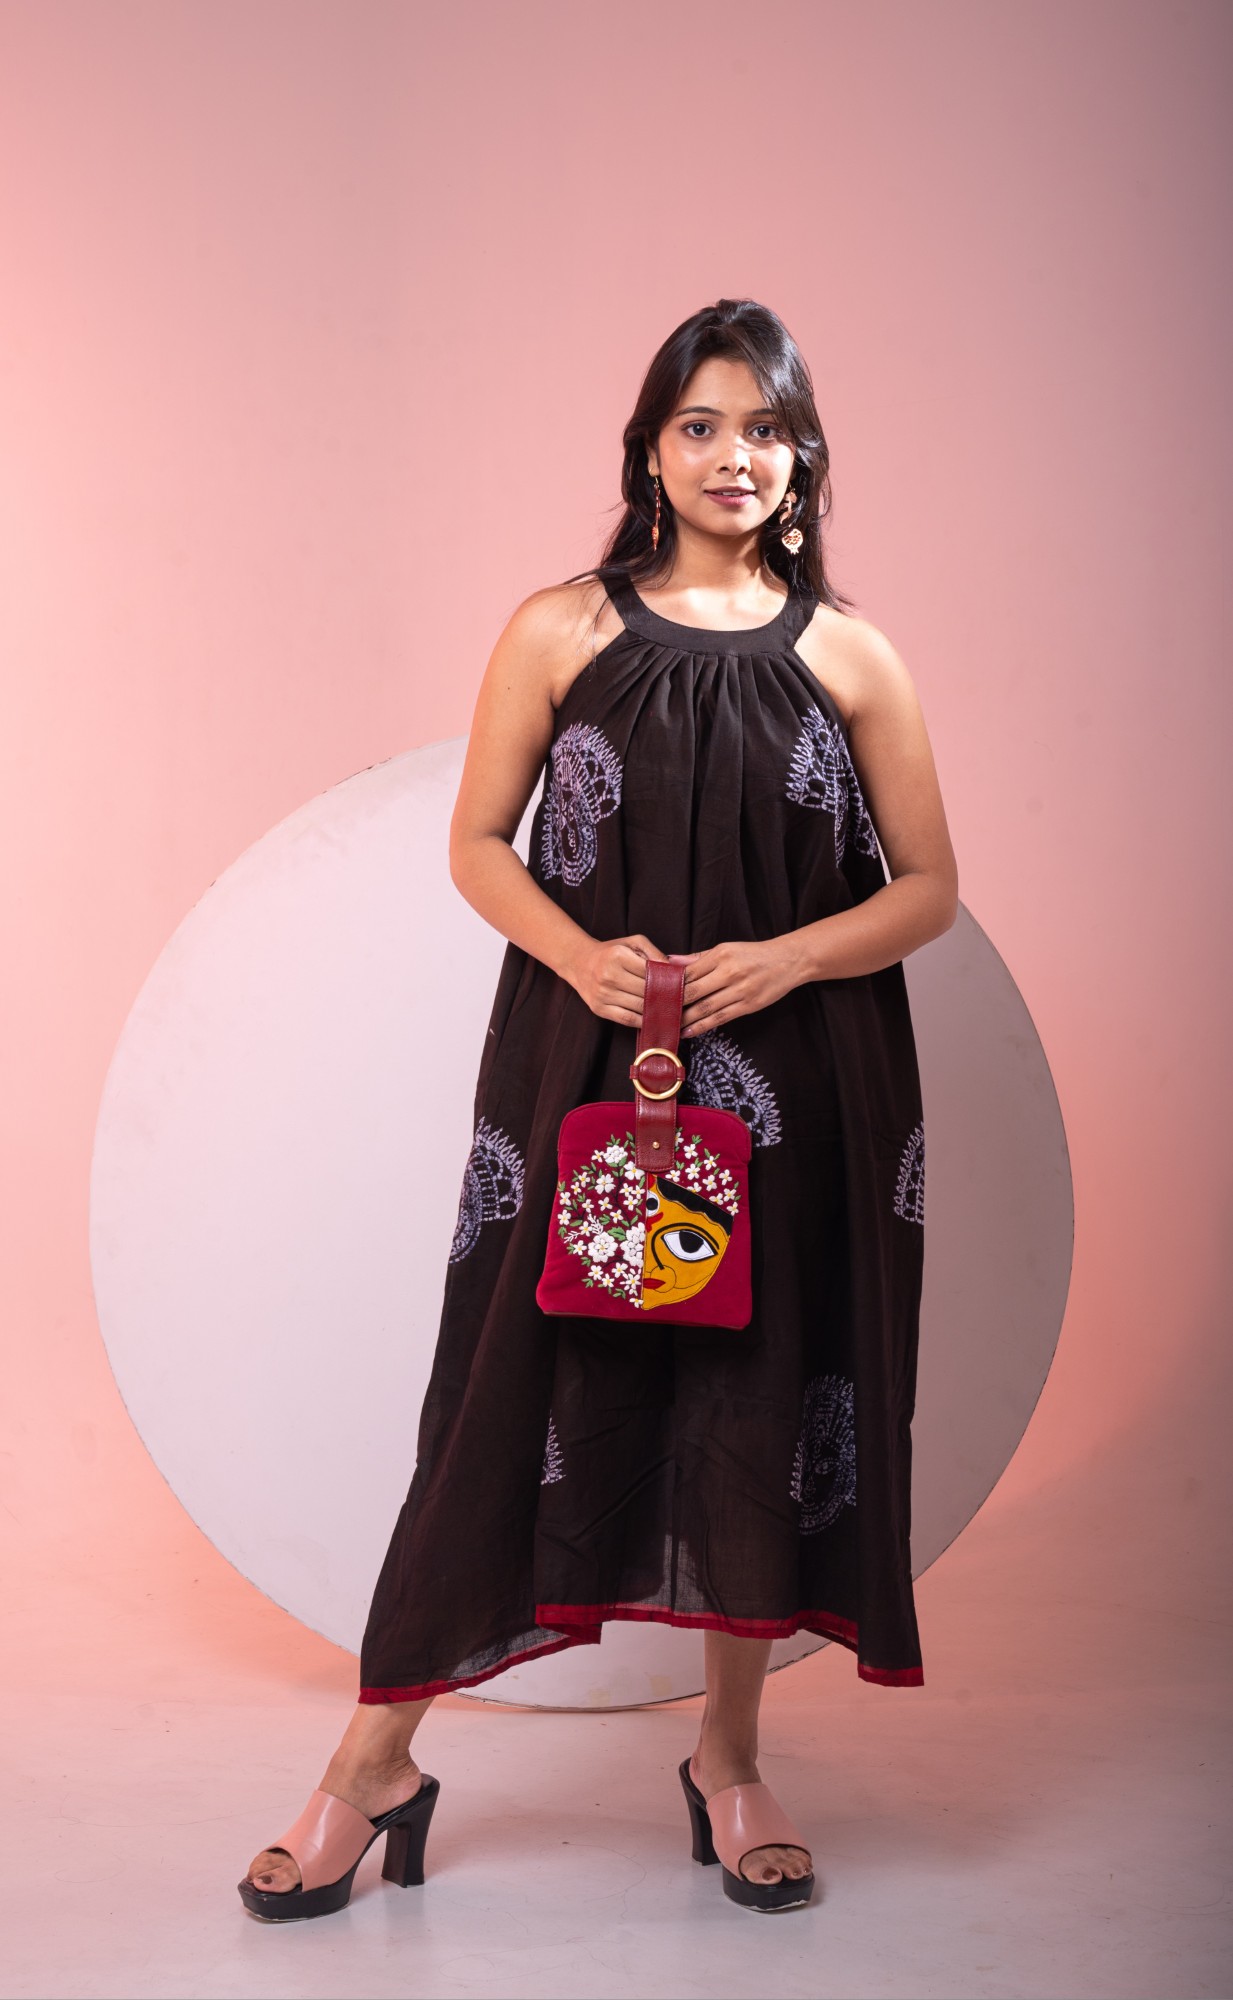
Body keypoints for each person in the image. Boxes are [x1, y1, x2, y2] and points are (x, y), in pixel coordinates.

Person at [239, 297, 959, 1921]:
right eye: (699, 425)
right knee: (508, 1384)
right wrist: (580, 958)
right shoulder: (559, 627)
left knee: (757, 1403)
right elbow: (476, 841)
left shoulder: (852, 654)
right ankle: (372, 1764)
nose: (731, 455)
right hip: (583, 1067)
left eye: (763, 428)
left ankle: (728, 1757)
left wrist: (783, 960)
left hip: (797, 1085)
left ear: (805, 460)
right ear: (647, 451)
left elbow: (926, 886)